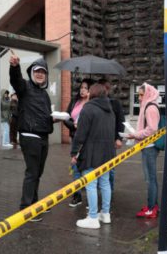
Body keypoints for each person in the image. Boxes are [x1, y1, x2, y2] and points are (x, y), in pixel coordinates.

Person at [9, 54, 55, 221]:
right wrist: (14, 67)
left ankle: (34, 204)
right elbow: (16, 81)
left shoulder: (44, 94)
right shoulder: (25, 87)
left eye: (43, 71)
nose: (40, 74)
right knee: (32, 172)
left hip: (43, 136)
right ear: (31, 73)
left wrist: (55, 119)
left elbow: (47, 115)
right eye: (37, 71)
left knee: (38, 172)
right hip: (30, 136)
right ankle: (26, 208)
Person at [71, 83, 115, 229]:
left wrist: (74, 152)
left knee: (91, 184)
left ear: (93, 93)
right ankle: (106, 214)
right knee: (105, 183)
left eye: (89, 91)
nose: (87, 93)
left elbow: (80, 135)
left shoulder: (88, 108)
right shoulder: (110, 109)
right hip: (108, 153)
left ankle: (93, 217)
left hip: (91, 153)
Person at [127, 83, 160, 219]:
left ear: (148, 94)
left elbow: (152, 129)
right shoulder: (149, 105)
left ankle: (151, 208)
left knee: (150, 179)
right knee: (151, 178)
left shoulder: (150, 107)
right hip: (149, 146)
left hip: (149, 147)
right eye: (138, 95)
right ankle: (153, 205)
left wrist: (136, 135)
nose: (139, 98)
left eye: (141, 95)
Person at [64, 78, 95, 207]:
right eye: (81, 87)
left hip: (88, 141)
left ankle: (91, 198)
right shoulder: (75, 101)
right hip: (75, 137)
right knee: (75, 167)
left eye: (86, 88)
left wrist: (82, 126)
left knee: (88, 168)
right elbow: (66, 117)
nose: (82, 90)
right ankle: (77, 196)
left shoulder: (92, 104)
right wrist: (74, 125)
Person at [98, 78, 125, 193]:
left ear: (108, 90)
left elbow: (121, 121)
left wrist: (119, 138)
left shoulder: (115, 103)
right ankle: (101, 192)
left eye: (105, 88)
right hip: (97, 141)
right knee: (97, 169)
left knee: (110, 168)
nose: (103, 91)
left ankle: (110, 191)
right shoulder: (95, 103)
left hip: (111, 141)